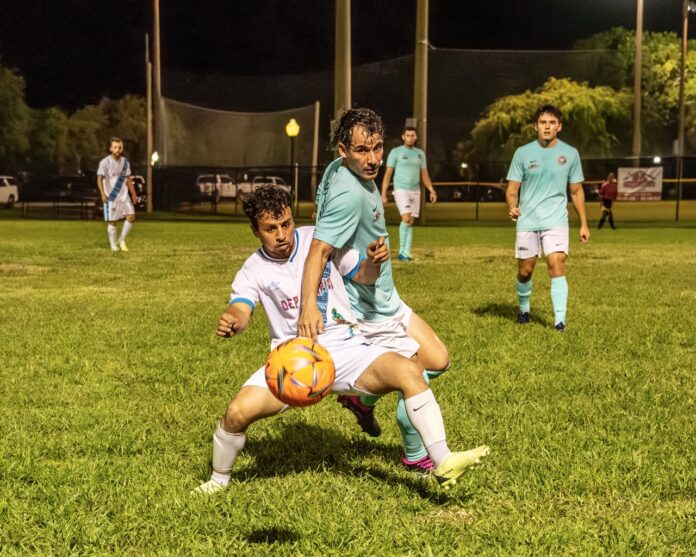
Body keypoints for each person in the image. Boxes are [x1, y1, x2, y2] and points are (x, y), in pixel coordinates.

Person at [193, 187, 490, 494]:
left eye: (286, 224)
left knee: (408, 371)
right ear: (255, 230)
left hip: (347, 349)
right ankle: (217, 482)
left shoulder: (320, 240)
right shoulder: (252, 270)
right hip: (293, 363)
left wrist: (374, 261)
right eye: (271, 229)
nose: (282, 234)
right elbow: (242, 307)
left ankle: (442, 462)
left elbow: (363, 274)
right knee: (236, 412)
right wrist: (233, 321)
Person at [299, 108, 455, 473]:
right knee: (422, 368)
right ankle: (415, 454)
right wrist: (310, 305)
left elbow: (322, 224)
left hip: (386, 296)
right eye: (362, 151)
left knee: (438, 359)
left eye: (377, 148)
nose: (372, 160)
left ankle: (363, 400)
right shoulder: (348, 196)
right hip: (369, 308)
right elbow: (318, 250)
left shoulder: (337, 170)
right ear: (343, 149)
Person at [505, 104, 590, 332]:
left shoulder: (570, 154)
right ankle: (524, 309)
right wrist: (513, 206)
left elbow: (576, 191)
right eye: (543, 122)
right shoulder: (522, 153)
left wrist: (583, 223)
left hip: (556, 220)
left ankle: (559, 321)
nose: (547, 126)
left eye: (552, 123)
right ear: (535, 126)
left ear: (559, 127)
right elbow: (512, 189)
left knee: (556, 264)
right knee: (525, 272)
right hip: (528, 221)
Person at [381, 126, 437, 261]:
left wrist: (431, 190)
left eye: (413, 135)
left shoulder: (420, 154)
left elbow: (424, 174)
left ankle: (407, 252)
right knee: (406, 218)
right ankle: (401, 252)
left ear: (416, 137)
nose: (410, 138)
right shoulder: (396, 152)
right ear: (403, 137)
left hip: (415, 190)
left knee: (411, 221)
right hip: (401, 189)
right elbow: (388, 174)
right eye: (408, 135)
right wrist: (383, 193)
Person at [96, 137, 137, 252]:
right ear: (110, 149)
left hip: (124, 195)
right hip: (111, 196)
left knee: (131, 216)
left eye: (120, 147)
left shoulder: (125, 162)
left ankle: (121, 239)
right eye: (115, 147)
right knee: (112, 221)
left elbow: (128, 179)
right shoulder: (104, 162)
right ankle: (113, 245)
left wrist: (133, 193)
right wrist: (103, 194)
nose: (118, 150)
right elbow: (99, 179)